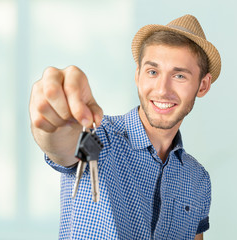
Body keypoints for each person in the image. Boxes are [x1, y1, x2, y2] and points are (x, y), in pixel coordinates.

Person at [29, 14, 221, 240]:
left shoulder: (197, 179)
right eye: (153, 72)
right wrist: (57, 124)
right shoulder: (101, 137)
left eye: (179, 75)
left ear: (203, 85)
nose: (162, 89)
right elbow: (65, 146)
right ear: (138, 75)